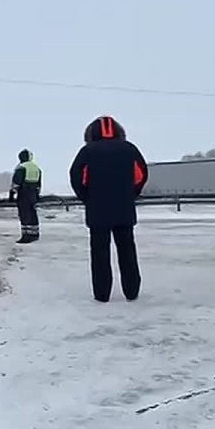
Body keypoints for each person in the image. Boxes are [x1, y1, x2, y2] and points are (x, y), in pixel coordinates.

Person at [69, 115, 148, 302]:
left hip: (97, 210)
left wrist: (87, 198)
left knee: (99, 253)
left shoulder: (87, 152)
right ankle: (131, 290)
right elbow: (141, 176)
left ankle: (102, 294)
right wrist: (130, 195)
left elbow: (77, 178)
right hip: (124, 208)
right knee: (127, 249)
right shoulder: (130, 149)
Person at [8, 149, 42, 243]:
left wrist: (12, 194)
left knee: (24, 214)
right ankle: (35, 234)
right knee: (33, 213)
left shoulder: (21, 167)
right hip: (33, 194)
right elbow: (39, 184)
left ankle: (26, 235)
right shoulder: (36, 168)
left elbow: (16, 182)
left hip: (24, 194)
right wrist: (37, 195)